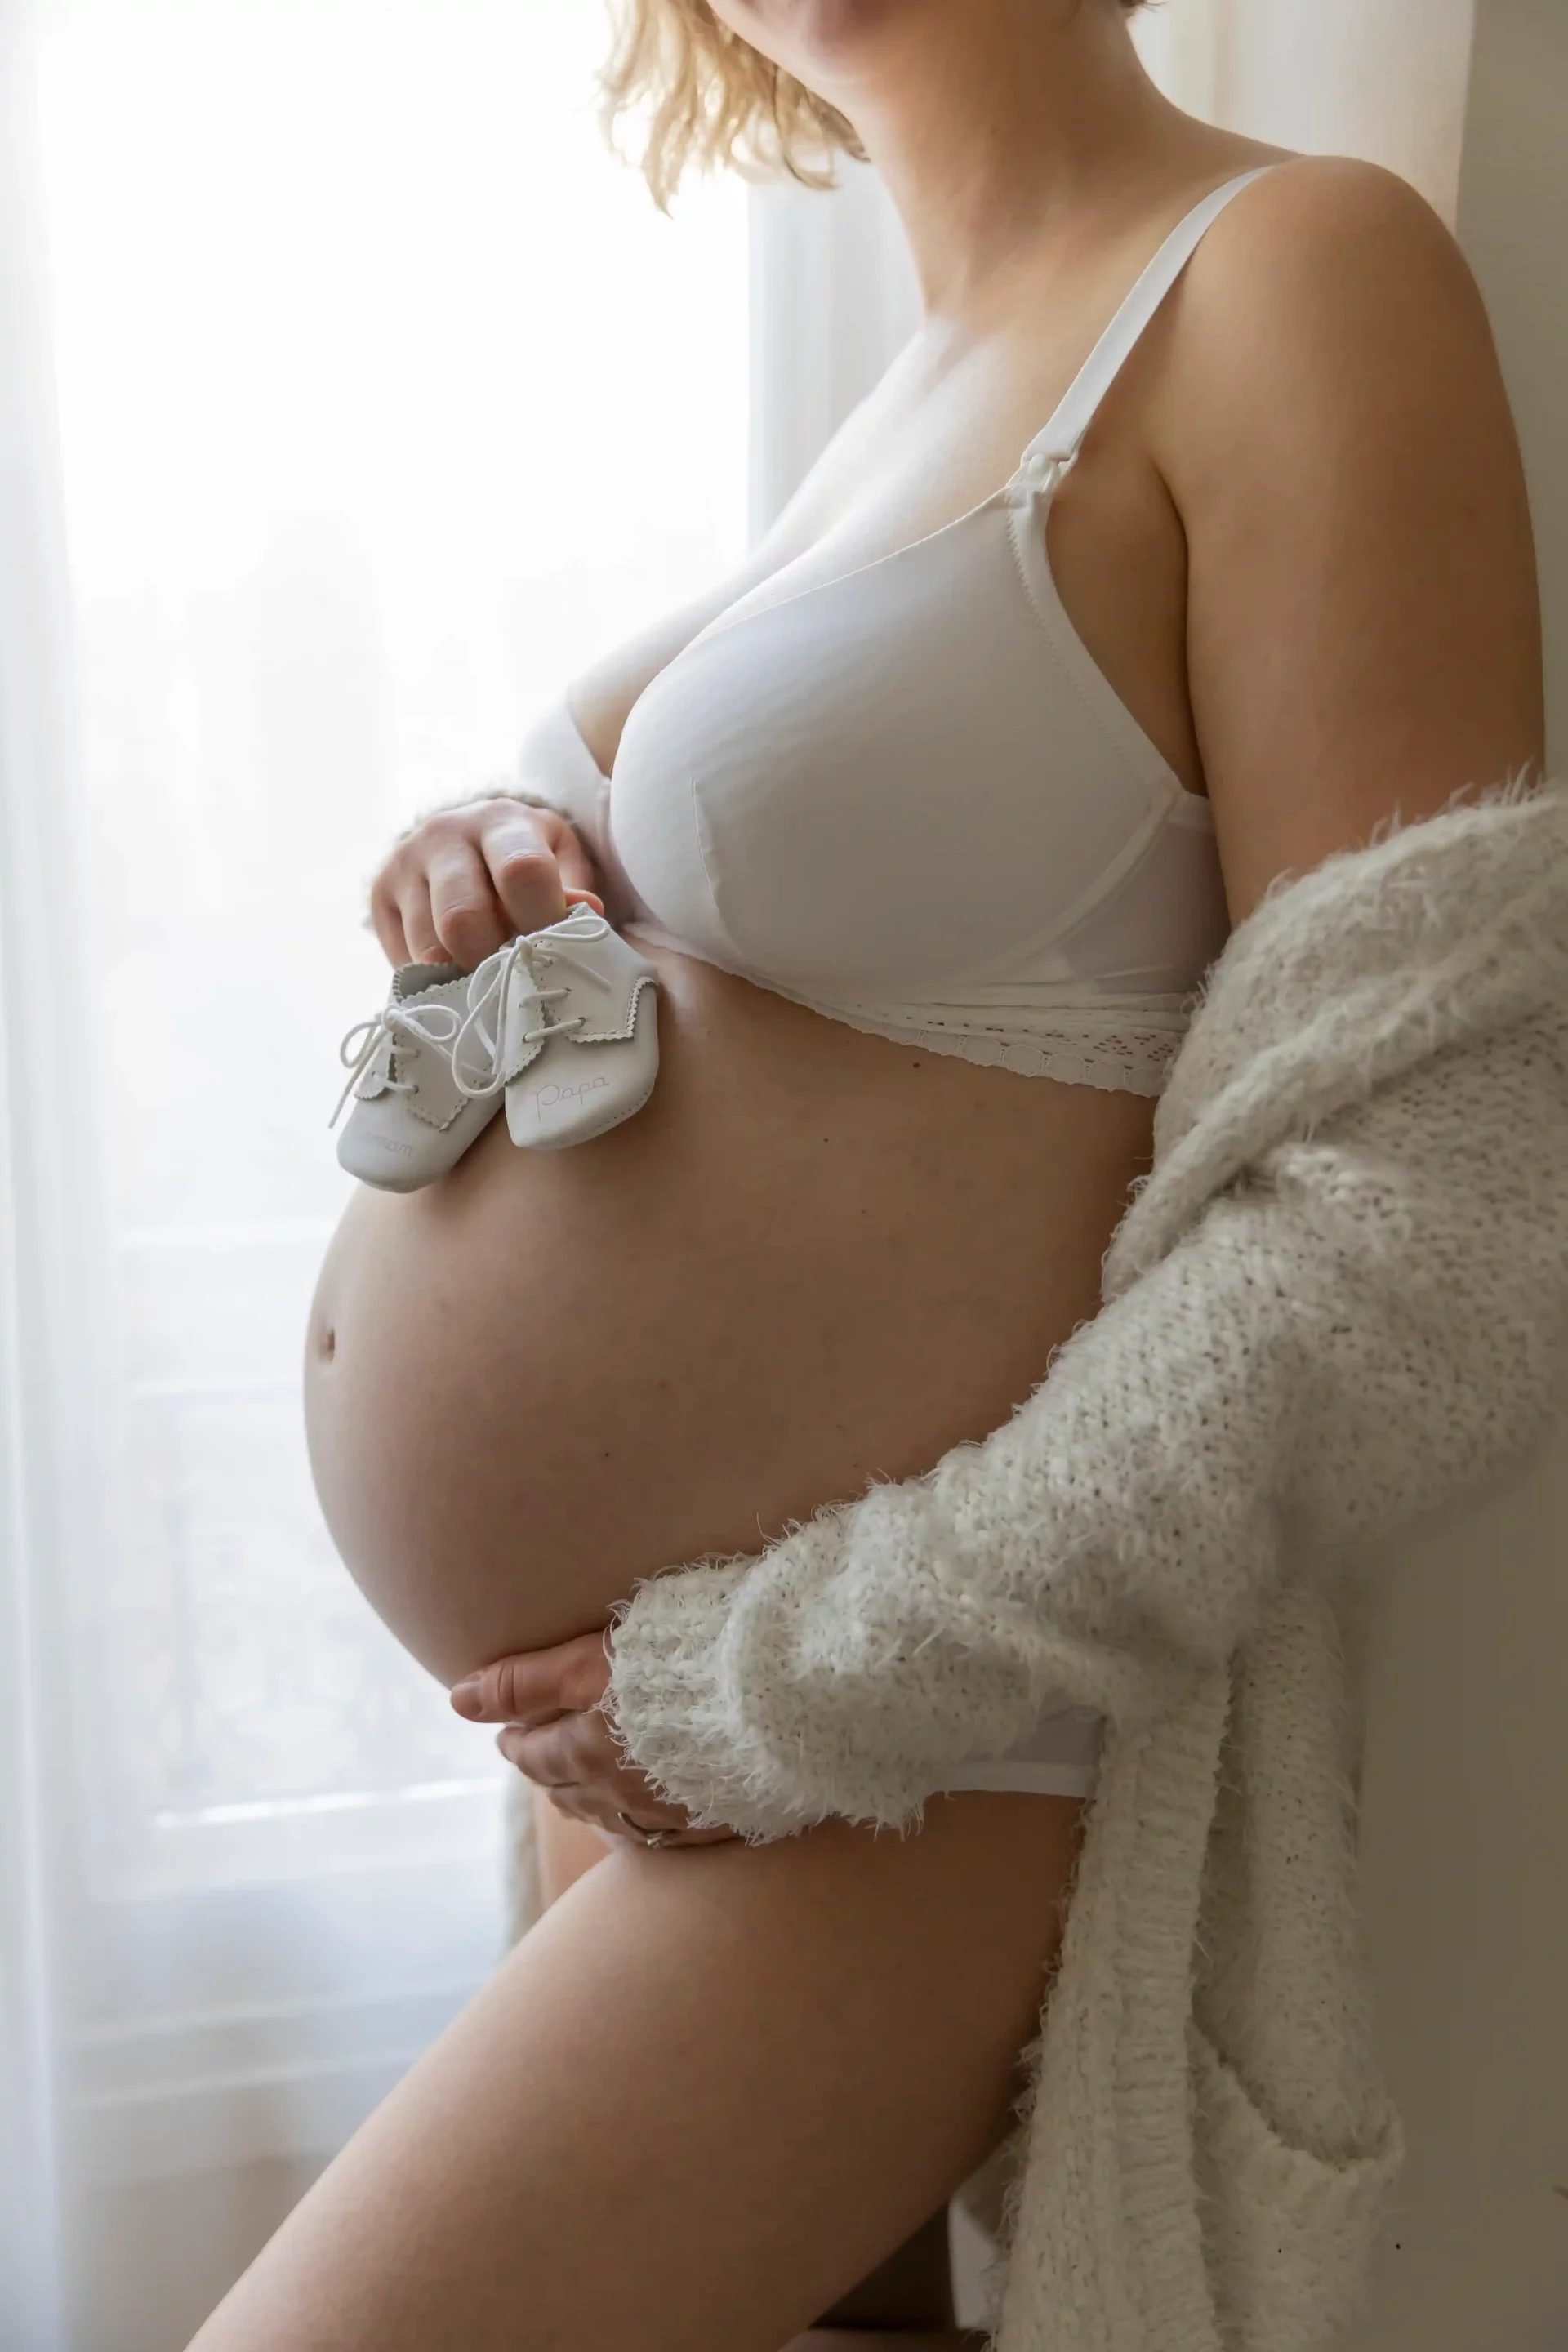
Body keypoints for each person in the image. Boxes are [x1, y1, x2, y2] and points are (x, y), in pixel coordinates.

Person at [198, 2, 1544, 2345]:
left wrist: (781, 1684)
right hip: (675, 1748)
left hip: (901, 1755)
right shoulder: (916, 386)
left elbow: (1430, 1247)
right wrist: (520, 866)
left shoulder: (1292, 269)